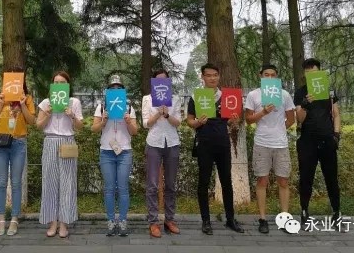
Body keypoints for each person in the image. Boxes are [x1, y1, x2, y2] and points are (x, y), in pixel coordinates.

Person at [187, 62, 244, 235]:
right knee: (203, 182)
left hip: (222, 143)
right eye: (208, 75)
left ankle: (230, 219)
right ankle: (206, 220)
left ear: (219, 76)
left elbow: (232, 122)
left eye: (215, 75)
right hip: (204, 143)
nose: (212, 78)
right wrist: (198, 122)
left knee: (226, 181)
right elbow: (190, 121)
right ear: (202, 77)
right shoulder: (196, 97)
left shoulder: (227, 96)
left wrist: (234, 120)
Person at [245, 64, 295, 234]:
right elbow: (249, 120)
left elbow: (291, 119)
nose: (270, 77)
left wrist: (279, 129)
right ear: (260, 76)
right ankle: (262, 218)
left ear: (277, 76)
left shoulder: (284, 94)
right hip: (261, 142)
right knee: (262, 180)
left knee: (283, 181)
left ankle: (285, 217)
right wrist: (263, 112)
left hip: (281, 144)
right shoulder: (253, 95)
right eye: (266, 74)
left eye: (273, 75)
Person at [35, 71, 83, 238]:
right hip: (50, 141)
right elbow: (38, 126)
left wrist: (72, 115)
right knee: (49, 182)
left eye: (63, 82)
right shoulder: (46, 102)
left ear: (68, 85)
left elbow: (80, 126)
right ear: (52, 85)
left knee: (68, 183)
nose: (59, 85)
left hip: (68, 142)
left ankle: (64, 222)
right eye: (56, 82)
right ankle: (52, 222)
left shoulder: (74, 102)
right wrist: (47, 115)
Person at [294, 58, 341, 230]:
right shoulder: (301, 92)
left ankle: (336, 212)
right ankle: (304, 211)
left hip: (327, 140)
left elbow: (336, 114)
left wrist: (336, 135)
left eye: (313, 72)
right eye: (307, 73)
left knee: (331, 177)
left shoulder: (329, 91)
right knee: (306, 177)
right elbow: (300, 119)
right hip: (308, 141)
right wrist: (305, 104)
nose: (310, 75)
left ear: (320, 72)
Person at [91, 74, 138, 237]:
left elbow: (135, 132)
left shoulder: (129, 107)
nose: (116, 89)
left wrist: (129, 121)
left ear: (123, 90)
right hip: (106, 151)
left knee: (123, 188)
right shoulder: (102, 107)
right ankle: (111, 220)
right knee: (109, 188)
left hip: (124, 151)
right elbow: (94, 129)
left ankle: (123, 220)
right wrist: (103, 121)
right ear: (108, 91)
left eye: (119, 87)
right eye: (112, 88)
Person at [0, 72, 36, 236]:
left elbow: (32, 121)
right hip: (0, 143)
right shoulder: (0, 98)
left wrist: (22, 105)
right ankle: (1, 219)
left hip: (18, 142)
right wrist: (1, 104)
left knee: (16, 182)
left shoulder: (27, 98)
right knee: (1, 182)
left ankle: (15, 219)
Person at [142, 69, 182, 238]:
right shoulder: (147, 99)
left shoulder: (175, 98)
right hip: (154, 143)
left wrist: (167, 114)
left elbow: (178, 122)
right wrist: (158, 112)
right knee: (152, 185)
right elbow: (146, 123)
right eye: (158, 80)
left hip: (172, 143)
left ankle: (169, 219)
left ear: (168, 82)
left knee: (170, 184)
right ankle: (153, 221)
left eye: (164, 80)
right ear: (153, 82)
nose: (161, 83)